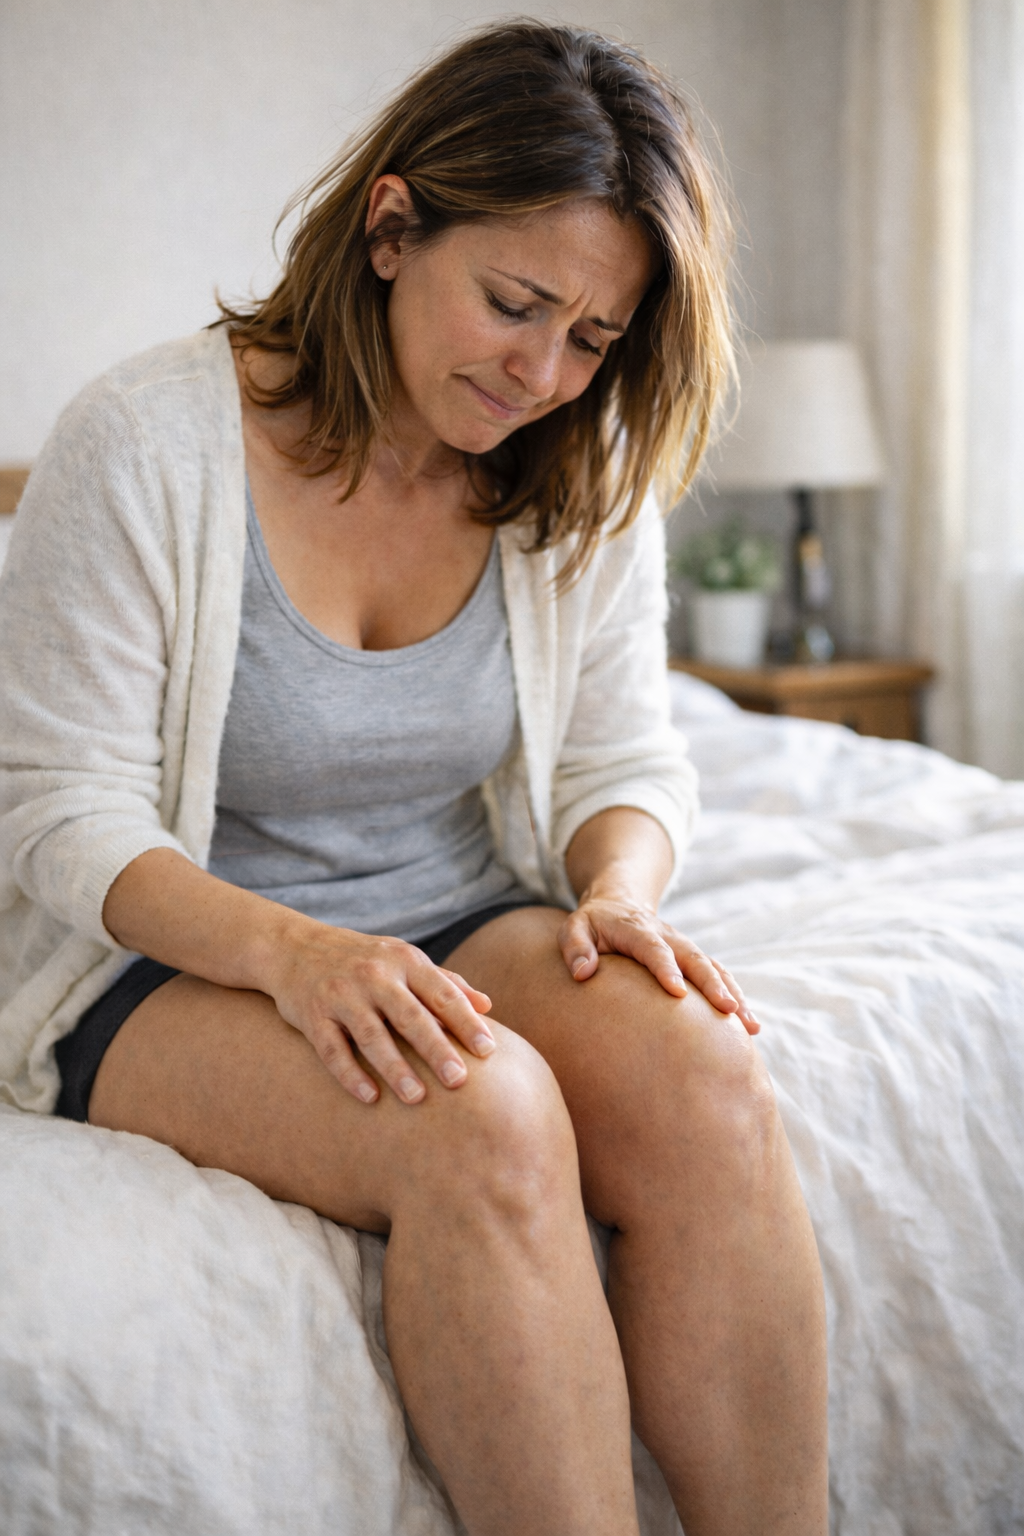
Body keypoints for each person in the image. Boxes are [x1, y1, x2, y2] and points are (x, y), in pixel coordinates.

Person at [0, 21, 828, 1536]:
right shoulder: (139, 445)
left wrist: (620, 891)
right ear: (392, 227)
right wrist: (299, 958)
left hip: (451, 907)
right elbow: (60, 813)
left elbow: (622, 756)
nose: (542, 372)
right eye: (513, 303)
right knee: (483, 1113)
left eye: (592, 338)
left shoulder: (572, 462)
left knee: (707, 1074)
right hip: (163, 960)